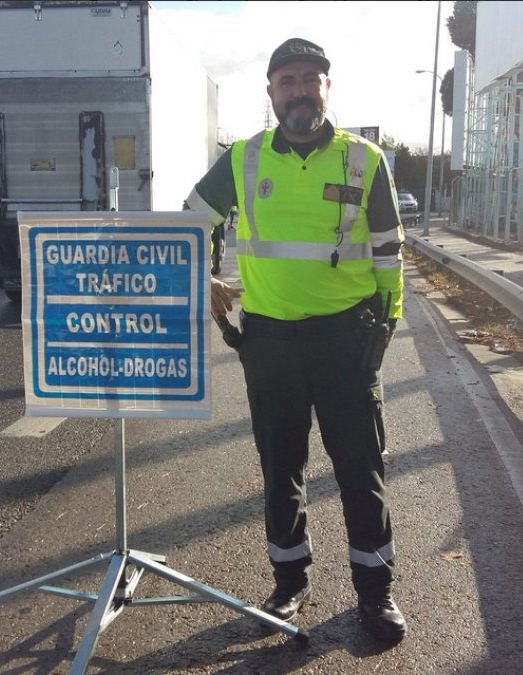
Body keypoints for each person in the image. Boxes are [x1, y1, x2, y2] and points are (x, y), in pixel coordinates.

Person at [185, 37, 406, 643]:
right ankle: (288, 586)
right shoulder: (244, 159)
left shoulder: (364, 159)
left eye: (311, 78)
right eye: (288, 80)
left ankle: (376, 593)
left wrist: (387, 324)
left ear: (326, 88)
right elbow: (194, 216)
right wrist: (202, 272)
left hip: (346, 340)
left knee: (361, 470)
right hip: (271, 343)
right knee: (281, 468)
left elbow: (388, 251)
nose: (300, 90)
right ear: (271, 93)